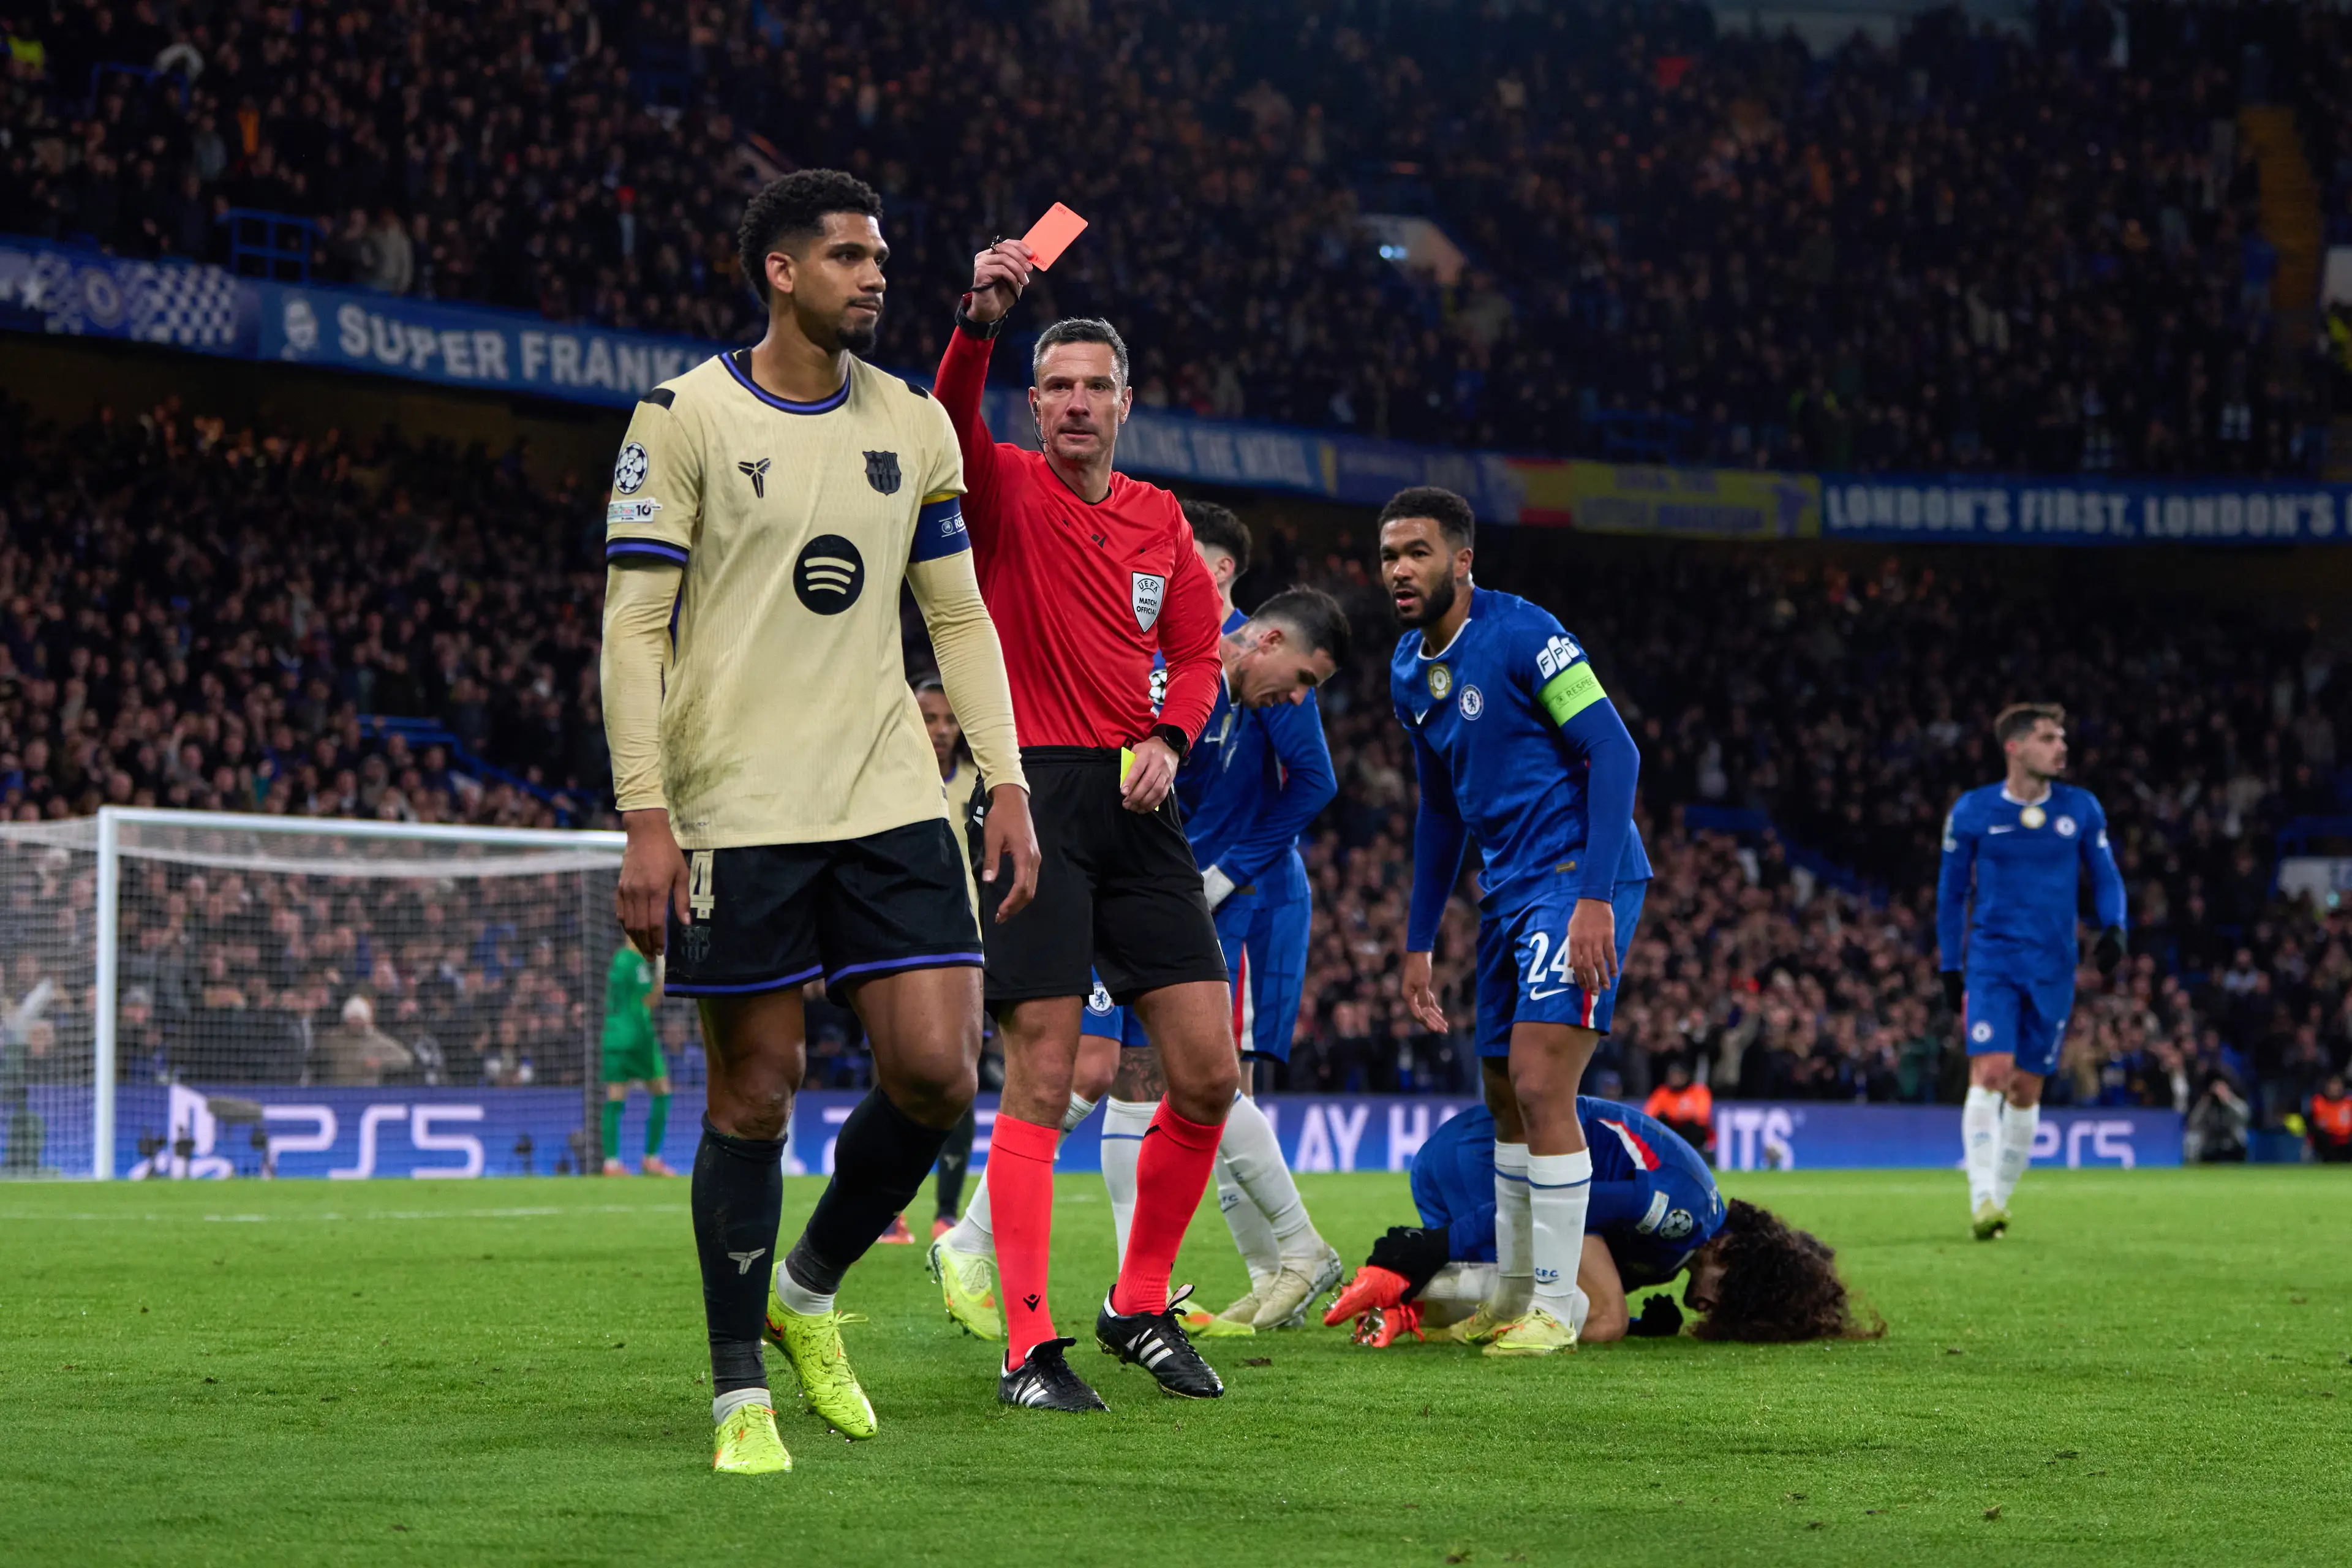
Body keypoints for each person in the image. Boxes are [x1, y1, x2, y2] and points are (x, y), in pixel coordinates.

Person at [601, 169, 1039, 1476]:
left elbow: (956, 616)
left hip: (892, 791)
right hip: (737, 797)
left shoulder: (913, 419)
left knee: (940, 1071)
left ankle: (808, 1287)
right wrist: (645, 813)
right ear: (781, 271)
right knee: (757, 1089)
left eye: (884, 256)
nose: (876, 275)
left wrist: (1006, 779)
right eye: (849, 256)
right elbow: (634, 628)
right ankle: (739, 1383)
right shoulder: (681, 416)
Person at [929, 236, 1238, 1412]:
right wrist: (981, 320)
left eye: (1091, 386)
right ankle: (1024, 1344)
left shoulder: (1162, 520)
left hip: (1138, 800)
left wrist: (1170, 738)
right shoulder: (1001, 484)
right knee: (1045, 1076)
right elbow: (952, 422)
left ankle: (1137, 1303)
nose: (1072, 403)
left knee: (1206, 1074)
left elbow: (1200, 652)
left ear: (1124, 404)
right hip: (1033, 795)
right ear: (1035, 400)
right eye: (1053, 385)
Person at [936, 516, 1351, 1343]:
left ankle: (1148, 1279)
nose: (1299, 702)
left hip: (1177, 895)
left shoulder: (1226, 678)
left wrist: (1222, 874)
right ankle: (985, 1251)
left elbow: (1313, 781)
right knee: (1110, 1073)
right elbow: (1102, 775)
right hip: (1113, 886)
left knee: (1149, 1077)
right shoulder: (1170, 672)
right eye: (1301, 682)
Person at [1380, 484, 1651, 1358]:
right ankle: (1510, 1293)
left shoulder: (1526, 633)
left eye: (1417, 552)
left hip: (1574, 877)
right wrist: (1419, 940)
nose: (1400, 570)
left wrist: (1596, 897)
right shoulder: (1406, 670)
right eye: (1389, 556)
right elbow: (1439, 812)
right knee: (1500, 1097)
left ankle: (1556, 1307)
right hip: (1504, 893)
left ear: (1462, 559)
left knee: (1539, 1084)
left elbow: (1614, 749)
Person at [1093, 502, 1348, 1338]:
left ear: (1227, 570)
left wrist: (1224, 874)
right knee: (1150, 1083)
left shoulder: (1252, 653)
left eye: (1186, 556)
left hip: (1244, 900)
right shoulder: (1171, 648)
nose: (1165, 566)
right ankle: (1266, 1272)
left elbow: (1313, 783)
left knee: (1212, 1078)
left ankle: (1290, 1260)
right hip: (1177, 894)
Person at [1323, 1099, 1879, 1346]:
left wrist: (1638, 1325)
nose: (1715, 1308)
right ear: (1733, 1256)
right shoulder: (1686, 1217)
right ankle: (1410, 1292)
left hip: (1455, 1159)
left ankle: (1403, 1312)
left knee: (1569, 1304)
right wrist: (1437, 1244)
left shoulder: (1680, 1245)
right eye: (1737, 1297)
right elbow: (1571, 1201)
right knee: (1600, 1318)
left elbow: (1567, 1264)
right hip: (1488, 1156)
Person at [1937, 703, 2126, 1240]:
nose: (2062, 746)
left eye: (2062, 736)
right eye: (2048, 737)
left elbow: (2106, 876)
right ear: (2015, 747)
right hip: (1993, 959)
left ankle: (1999, 1196)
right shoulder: (1973, 811)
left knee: (2025, 1089)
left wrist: (2115, 927)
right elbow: (1950, 893)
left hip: (2053, 966)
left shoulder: (2081, 809)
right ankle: (1982, 1202)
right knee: (1991, 1074)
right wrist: (1951, 965)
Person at [599, 943, 677, 1178]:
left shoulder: (619, 959)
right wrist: (662, 978)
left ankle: (611, 1163)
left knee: (615, 1097)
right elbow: (648, 1001)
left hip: (613, 1034)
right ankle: (651, 1159)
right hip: (637, 1035)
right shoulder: (635, 961)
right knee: (662, 1091)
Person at [314, 995, 413, 1087]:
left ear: (366, 1020)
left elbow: (405, 1058)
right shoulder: (333, 1039)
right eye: (353, 1019)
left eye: (360, 1019)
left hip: (367, 1092)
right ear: (346, 1020)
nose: (356, 1023)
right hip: (340, 1090)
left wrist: (381, 1062)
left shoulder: (376, 1040)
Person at [1642, 1054, 1714, 1160]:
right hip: (1671, 1134)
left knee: (1693, 1128)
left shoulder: (1698, 1091)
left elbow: (1701, 1116)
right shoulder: (1662, 1093)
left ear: (1686, 1076)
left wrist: (1674, 1115)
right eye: (1672, 1075)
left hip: (1692, 1137)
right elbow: (1649, 1115)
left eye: (1678, 1075)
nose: (1675, 1079)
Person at [2310, 1072, 2352, 1163]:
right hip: (2327, 1142)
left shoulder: (2348, 1103)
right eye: (2333, 1084)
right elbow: (2316, 1124)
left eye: (2338, 1084)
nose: (2336, 1088)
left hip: (2347, 1142)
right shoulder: (2318, 1102)